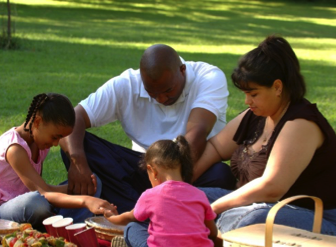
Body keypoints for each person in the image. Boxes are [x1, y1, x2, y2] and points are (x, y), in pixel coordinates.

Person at [194, 35, 336, 240]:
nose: (247, 101)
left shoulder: (301, 124)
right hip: (264, 207)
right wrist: (180, 185)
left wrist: (214, 209)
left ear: (278, 87)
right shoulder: (255, 115)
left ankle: (199, 237)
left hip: (324, 223)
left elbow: (272, 188)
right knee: (186, 200)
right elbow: (216, 148)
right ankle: (191, 235)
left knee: (253, 218)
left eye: (253, 94)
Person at [60, 44, 236, 214]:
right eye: (152, 92)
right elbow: (74, 118)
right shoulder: (127, 84)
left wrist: (168, 184)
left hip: (187, 169)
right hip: (144, 167)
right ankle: (141, 210)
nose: (161, 98)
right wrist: (78, 163)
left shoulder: (208, 77)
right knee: (79, 143)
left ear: (182, 71)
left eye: (168, 90)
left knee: (221, 175)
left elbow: (197, 134)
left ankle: (140, 209)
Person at [0, 93, 116, 231]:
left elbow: (44, 190)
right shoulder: (14, 149)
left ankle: (68, 227)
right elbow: (43, 192)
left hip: (34, 199)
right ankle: (59, 226)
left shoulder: (39, 143)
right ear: (37, 122)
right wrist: (85, 200)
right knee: (36, 203)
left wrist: (79, 184)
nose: (55, 144)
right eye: (55, 137)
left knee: (90, 184)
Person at [104, 136, 217, 247]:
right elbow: (212, 232)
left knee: (132, 228)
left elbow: (128, 218)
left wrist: (111, 217)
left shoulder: (150, 195)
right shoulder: (199, 194)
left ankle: (136, 246)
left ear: (153, 171)